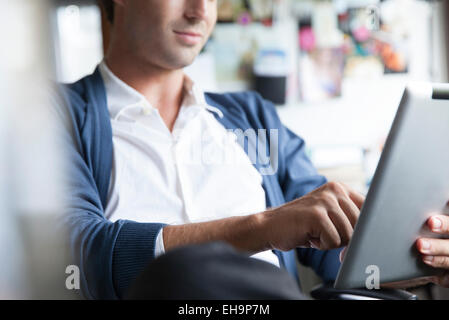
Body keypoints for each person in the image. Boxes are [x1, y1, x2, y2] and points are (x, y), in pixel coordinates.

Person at [54, 0, 448, 299]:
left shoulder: (252, 116)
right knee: (183, 274)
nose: (200, 11)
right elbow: (77, 254)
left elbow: (334, 240)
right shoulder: (57, 118)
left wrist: (412, 254)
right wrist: (264, 227)